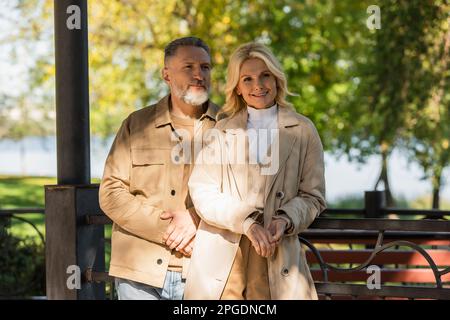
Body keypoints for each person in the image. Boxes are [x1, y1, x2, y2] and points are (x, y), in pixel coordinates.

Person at [183, 42, 326, 300]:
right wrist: (247, 222)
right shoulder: (221, 131)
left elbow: (313, 196)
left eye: (265, 75)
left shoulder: (303, 131)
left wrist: (285, 219)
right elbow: (203, 191)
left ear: (276, 78)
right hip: (224, 260)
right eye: (247, 79)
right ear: (237, 87)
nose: (258, 85)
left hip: (277, 255)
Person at [99, 37, 219, 300]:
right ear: (166, 74)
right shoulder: (136, 124)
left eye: (205, 67)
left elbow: (245, 192)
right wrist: (168, 231)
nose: (199, 75)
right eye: (188, 67)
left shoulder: (230, 126)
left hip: (207, 272)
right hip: (138, 275)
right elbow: (110, 192)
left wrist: (196, 217)